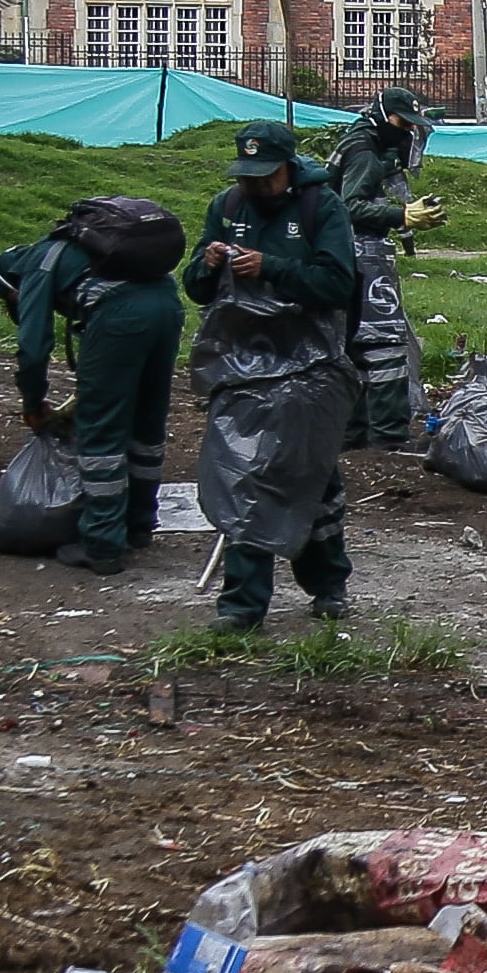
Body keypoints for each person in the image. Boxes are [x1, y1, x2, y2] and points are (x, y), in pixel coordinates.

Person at [185, 119, 363, 631]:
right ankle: (242, 606)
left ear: (289, 168)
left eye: (265, 176)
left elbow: (336, 283)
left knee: (314, 475)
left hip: (311, 364)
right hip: (241, 367)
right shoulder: (227, 207)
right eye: (247, 175)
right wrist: (207, 262)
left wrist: (272, 268)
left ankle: (329, 584)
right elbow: (197, 289)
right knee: (243, 474)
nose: (255, 185)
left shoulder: (320, 207)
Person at [0, 198, 184, 576]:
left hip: (121, 316)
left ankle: (102, 545)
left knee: (101, 431)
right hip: (167, 305)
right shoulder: (75, 248)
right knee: (147, 422)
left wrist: (33, 404)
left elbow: (32, 349)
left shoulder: (35, 266)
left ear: (8, 287)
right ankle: (139, 525)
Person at [328, 85, 431, 450]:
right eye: (403, 123)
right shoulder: (364, 152)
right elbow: (349, 206)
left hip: (351, 252)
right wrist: (400, 214)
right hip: (360, 254)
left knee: (350, 342)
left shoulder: (368, 141)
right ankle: (388, 436)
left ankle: (351, 434)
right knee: (383, 340)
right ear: (383, 114)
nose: (407, 131)